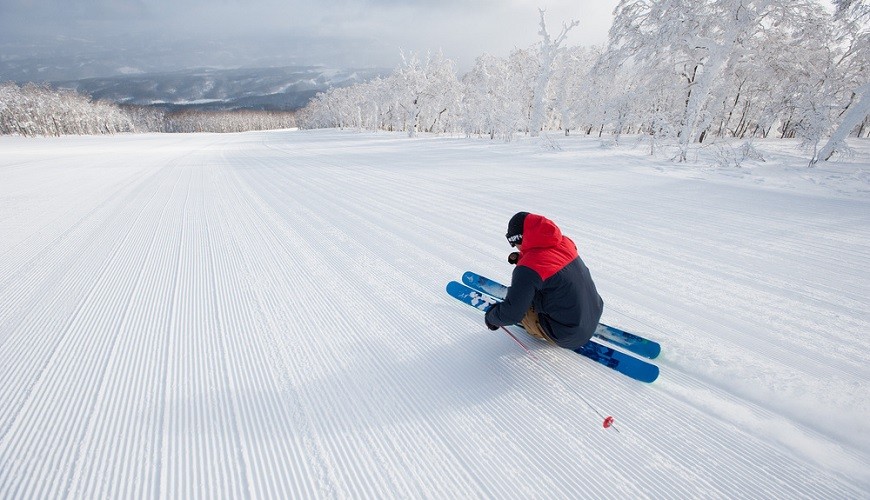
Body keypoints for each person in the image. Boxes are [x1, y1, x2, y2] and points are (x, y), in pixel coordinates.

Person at [484, 212, 604, 350]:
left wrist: (491, 317)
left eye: (513, 243)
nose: (514, 247)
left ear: (519, 239)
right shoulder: (566, 243)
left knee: (524, 306)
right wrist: (523, 259)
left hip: (566, 335)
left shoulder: (527, 269)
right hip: (594, 311)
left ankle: (535, 324)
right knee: (549, 284)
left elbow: (512, 314)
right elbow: (548, 261)